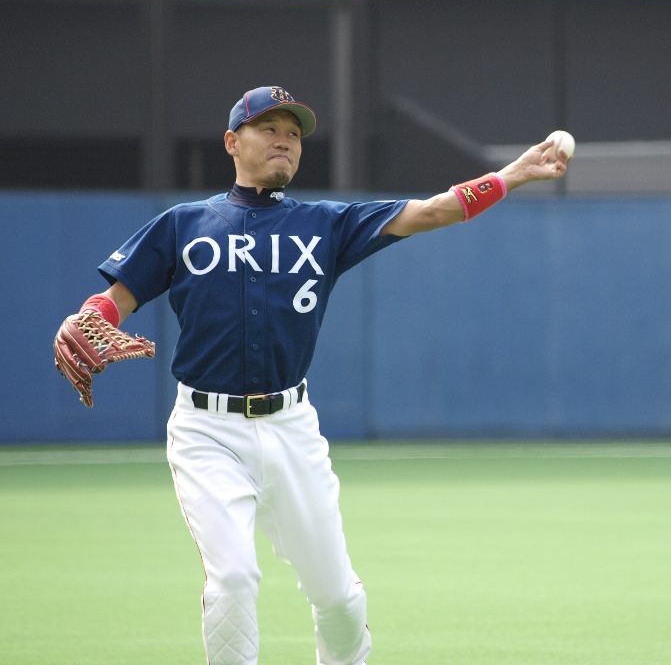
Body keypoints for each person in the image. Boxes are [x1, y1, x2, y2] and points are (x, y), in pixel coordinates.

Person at [53, 86, 570, 665]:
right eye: (268, 127)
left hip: (293, 429)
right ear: (232, 142)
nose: (284, 140)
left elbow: (432, 211)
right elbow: (115, 299)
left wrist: (513, 174)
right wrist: (88, 317)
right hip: (206, 431)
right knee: (233, 580)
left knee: (340, 600)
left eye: (294, 133)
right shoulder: (183, 224)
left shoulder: (327, 224)